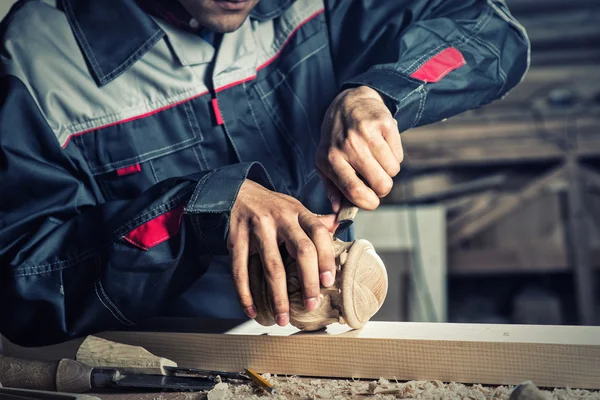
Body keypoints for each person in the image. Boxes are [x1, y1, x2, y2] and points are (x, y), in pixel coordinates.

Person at [0, 0, 529, 346]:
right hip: (160, 372)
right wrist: (196, 215)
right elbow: (22, 281)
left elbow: (488, 29)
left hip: (317, 355)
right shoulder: (36, 58)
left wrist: (379, 93)